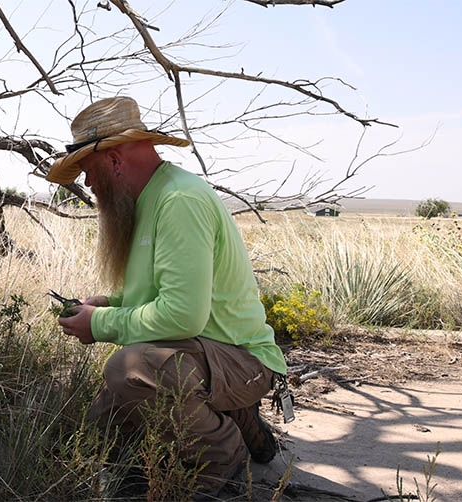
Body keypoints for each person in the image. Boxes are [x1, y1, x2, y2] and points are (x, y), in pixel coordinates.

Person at [49, 96, 288, 499]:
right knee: (103, 422)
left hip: (242, 359)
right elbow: (165, 291)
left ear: (113, 160)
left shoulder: (179, 201)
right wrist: (111, 302)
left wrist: (98, 324)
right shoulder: (152, 198)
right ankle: (231, 415)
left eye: (88, 171)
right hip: (205, 354)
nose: (88, 185)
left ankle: (222, 454)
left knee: (130, 369)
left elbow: (182, 314)